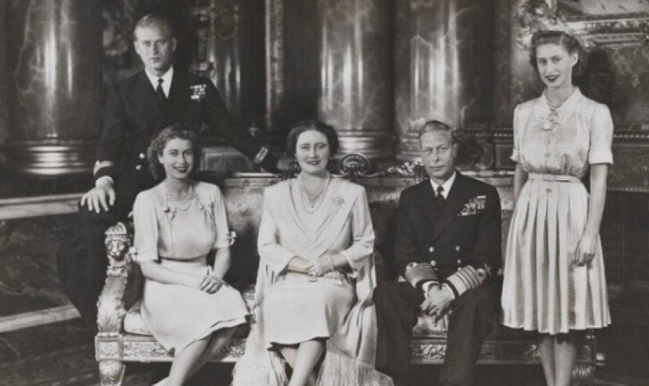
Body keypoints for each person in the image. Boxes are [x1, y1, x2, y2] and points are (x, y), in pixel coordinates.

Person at [56, 13, 283, 331]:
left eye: (160, 42)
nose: (153, 50)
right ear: (136, 47)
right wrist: (104, 180)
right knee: (78, 238)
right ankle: (104, 316)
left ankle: (203, 315)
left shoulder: (198, 88)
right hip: (136, 179)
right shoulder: (123, 90)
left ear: (172, 44)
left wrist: (270, 160)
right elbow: (109, 142)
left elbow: (232, 130)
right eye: (146, 43)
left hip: (181, 178)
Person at [232, 120, 392, 386]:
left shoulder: (353, 193)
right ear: (294, 153)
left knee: (318, 302)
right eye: (305, 147)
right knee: (272, 304)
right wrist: (302, 266)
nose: (313, 154)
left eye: (320, 146)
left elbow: (365, 242)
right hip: (289, 278)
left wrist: (331, 262)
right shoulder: (276, 194)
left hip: (333, 281)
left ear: (331, 151)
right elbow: (267, 246)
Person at [501, 30, 612, 386]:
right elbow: (519, 170)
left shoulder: (594, 113)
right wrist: (519, 220)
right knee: (540, 307)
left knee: (565, 307)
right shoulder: (524, 112)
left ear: (573, 59)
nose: (549, 68)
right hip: (531, 213)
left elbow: (598, 179)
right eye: (543, 61)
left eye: (556, 59)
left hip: (571, 212)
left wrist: (590, 233)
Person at [374, 120, 502, 386]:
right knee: (387, 293)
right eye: (428, 150)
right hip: (429, 282)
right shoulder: (411, 197)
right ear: (421, 154)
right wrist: (432, 289)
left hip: (467, 286)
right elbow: (404, 254)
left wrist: (449, 291)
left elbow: (488, 258)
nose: (435, 157)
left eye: (441, 149)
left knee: (478, 302)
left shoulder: (482, 193)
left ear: (454, 149)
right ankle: (397, 379)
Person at [132, 124, 248, 386]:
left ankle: (171, 383)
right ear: (159, 157)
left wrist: (217, 276)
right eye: (173, 153)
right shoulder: (147, 199)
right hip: (165, 284)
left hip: (205, 275)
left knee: (232, 309)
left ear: (195, 157)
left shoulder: (210, 193)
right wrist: (192, 283)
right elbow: (148, 267)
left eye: (187, 154)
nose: (181, 161)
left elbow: (223, 250)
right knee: (204, 312)